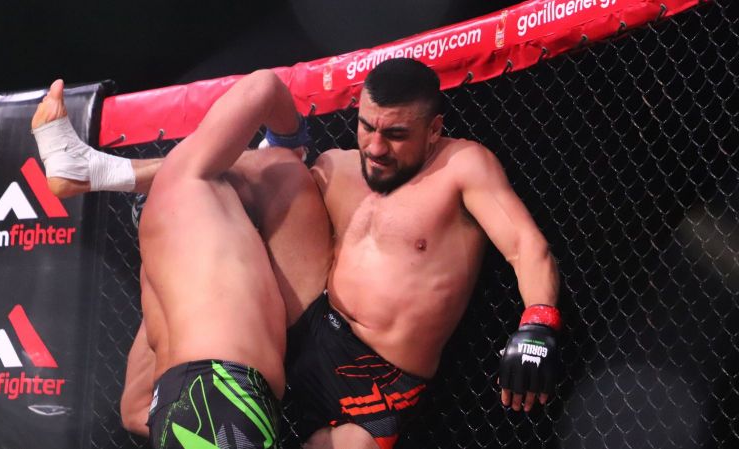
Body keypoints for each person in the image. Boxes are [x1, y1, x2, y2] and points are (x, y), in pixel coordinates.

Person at [33, 58, 561, 449]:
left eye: (396, 135)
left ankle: (117, 182)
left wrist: (538, 323)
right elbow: (235, 167)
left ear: (434, 130)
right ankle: (104, 174)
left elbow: (526, 246)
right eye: (368, 127)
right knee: (271, 169)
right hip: (309, 321)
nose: (376, 147)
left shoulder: (462, 166)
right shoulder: (338, 165)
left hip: (375, 379)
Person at [31, 72, 333, 449]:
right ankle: (82, 168)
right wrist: (288, 142)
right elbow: (265, 86)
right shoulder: (191, 177)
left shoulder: (162, 278)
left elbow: (134, 409)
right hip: (219, 391)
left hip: (188, 401)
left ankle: (84, 169)